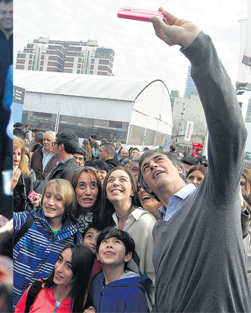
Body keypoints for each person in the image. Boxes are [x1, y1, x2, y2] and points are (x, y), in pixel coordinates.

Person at [136, 8, 251, 312]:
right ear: (145, 186)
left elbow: (231, 133)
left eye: (159, 160)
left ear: (179, 167)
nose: (152, 167)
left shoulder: (216, 195)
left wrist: (199, 51)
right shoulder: (159, 229)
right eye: (145, 168)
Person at [13, 179, 80, 309]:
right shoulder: (25, 221)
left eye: (58, 199)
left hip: (37, 306)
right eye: (47, 196)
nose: (50, 202)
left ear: (68, 203)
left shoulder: (74, 238)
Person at [99, 167, 156, 305]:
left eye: (122, 179)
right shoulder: (110, 223)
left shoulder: (146, 222)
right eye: (110, 180)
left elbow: (154, 277)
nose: (115, 183)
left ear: (132, 191)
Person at [86, 227, 151, 313]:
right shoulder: (96, 282)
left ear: (127, 256)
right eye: (105, 241)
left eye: (117, 242)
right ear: (97, 255)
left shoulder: (134, 293)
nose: (109, 245)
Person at [15, 245, 94, 313]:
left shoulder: (82, 308)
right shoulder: (36, 289)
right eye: (60, 260)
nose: (59, 269)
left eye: (68, 266)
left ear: (80, 273)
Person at [68, 166, 103, 233]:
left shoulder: (106, 218)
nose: (88, 192)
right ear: (72, 189)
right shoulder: (62, 216)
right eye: (82, 186)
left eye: (93, 186)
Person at [13, 136, 34, 212]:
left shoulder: (25, 174)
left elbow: (30, 196)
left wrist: (38, 200)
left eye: (19, 154)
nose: (16, 158)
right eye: (13, 153)